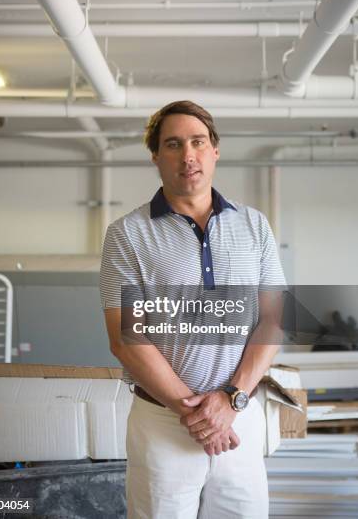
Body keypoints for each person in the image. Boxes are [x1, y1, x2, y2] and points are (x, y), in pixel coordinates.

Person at [100, 100, 286, 518]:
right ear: (156, 157)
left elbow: (272, 320)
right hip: (163, 424)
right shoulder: (127, 234)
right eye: (173, 144)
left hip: (239, 418)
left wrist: (230, 400)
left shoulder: (254, 226)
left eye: (198, 142)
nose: (188, 155)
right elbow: (126, 340)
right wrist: (198, 414)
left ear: (215, 150)